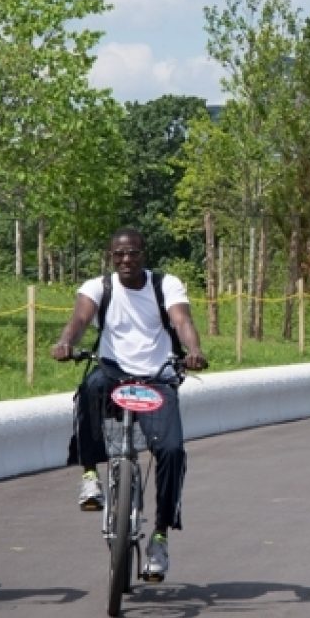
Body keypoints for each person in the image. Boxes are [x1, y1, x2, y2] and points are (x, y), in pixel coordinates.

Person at [52, 227, 207, 583]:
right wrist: (64, 342)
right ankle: (90, 475)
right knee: (89, 389)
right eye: (119, 254)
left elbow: (182, 320)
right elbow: (79, 319)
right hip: (114, 372)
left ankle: (160, 537)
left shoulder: (165, 285)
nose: (126, 260)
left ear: (143, 253)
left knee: (171, 451)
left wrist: (194, 351)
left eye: (133, 253)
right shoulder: (99, 287)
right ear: (111, 256)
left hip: (157, 377)